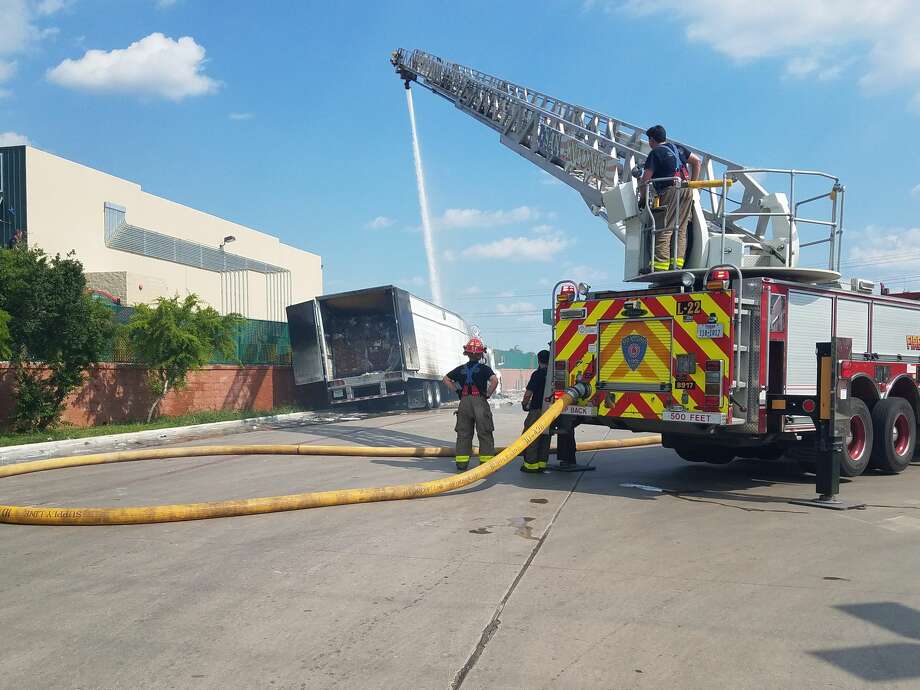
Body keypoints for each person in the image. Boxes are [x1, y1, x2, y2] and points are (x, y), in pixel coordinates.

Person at [638, 125, 702, 271]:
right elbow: (697, 161)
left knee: (664, 228)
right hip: (686, 190)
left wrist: (642, 199)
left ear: (652, 140)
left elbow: (645, 180)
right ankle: (676, 266)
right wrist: (692, 185)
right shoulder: (678, 149)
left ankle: (660, 266)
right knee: (681, 229)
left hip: (670, 191)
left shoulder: (656, 153)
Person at [443, 337, 499, 472]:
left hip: (464, 403)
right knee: (485, 433)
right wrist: (488, 394)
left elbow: (445, 379)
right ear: (480, 354)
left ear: (467, 354)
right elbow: (494, 381)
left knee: (463, 434)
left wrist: (457, 390)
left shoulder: (460, 369)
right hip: (479, 401)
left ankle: (461, 465)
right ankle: (486, 466)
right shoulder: (485, 369)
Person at [520, 349, 551, 473]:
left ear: (539, 360)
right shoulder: (552, 374)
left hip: (537, 409)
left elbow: (529, 393)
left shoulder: (537, 374)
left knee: (531, 435)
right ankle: (542, 463)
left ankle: (531, 465)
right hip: (550, 411)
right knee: (545, 436)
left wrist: (524, 403)